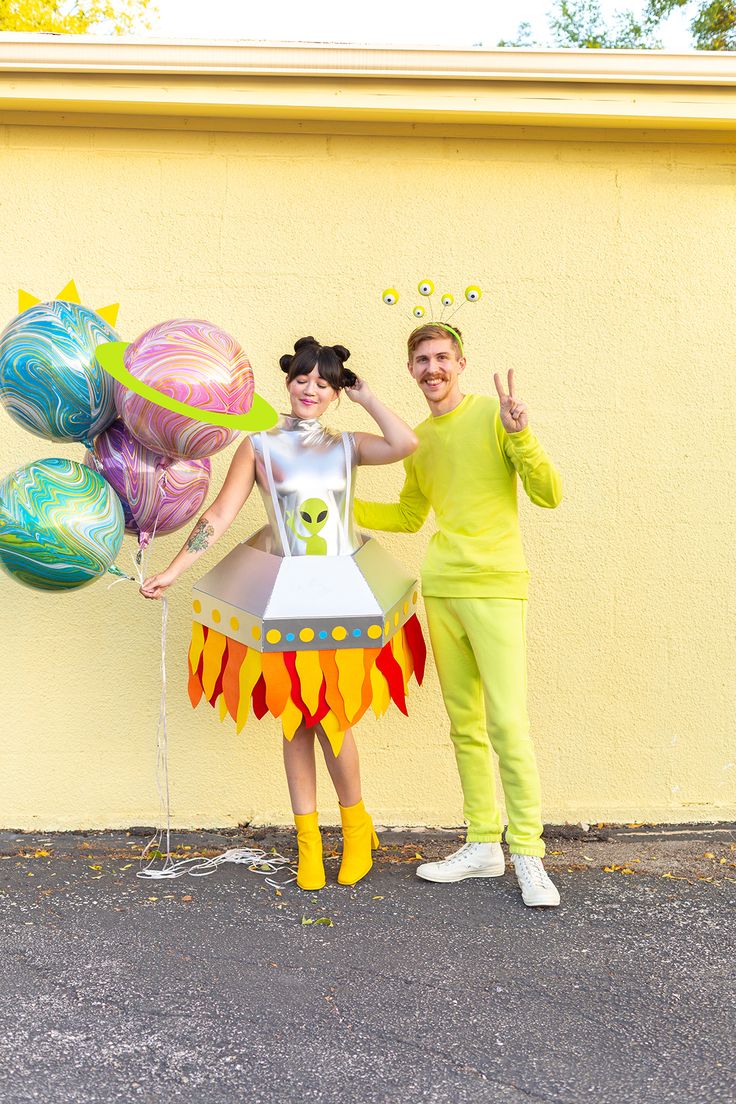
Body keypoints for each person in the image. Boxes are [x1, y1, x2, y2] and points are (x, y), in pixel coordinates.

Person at [140, 337, 421, 892]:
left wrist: (367, 397)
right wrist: (175, 569)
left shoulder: (348, 445)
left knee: (331, 712)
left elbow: (405, 441)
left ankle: (357, 825)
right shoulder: (259, 446)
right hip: (283, 590)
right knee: (296, 717)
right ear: (287, 381)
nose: (311, 389)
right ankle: (309, 843)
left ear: (336, 392)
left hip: (340, 589)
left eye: (324, 383)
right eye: (302, 378)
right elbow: (220, 514)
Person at [354, 323, 563, 907]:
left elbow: (548, 493)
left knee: (508, 726)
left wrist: (522, 435)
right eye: (421, 360)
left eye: (441, 357)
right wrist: (336, 505)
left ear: (461, 363)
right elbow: (408, 515)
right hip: (442, 589)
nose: (432, 368)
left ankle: (527, 851)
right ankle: (482, 844)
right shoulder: (418, 440)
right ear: (411, 370)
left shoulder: (496, 417)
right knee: (464, 725)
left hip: (496, 587)